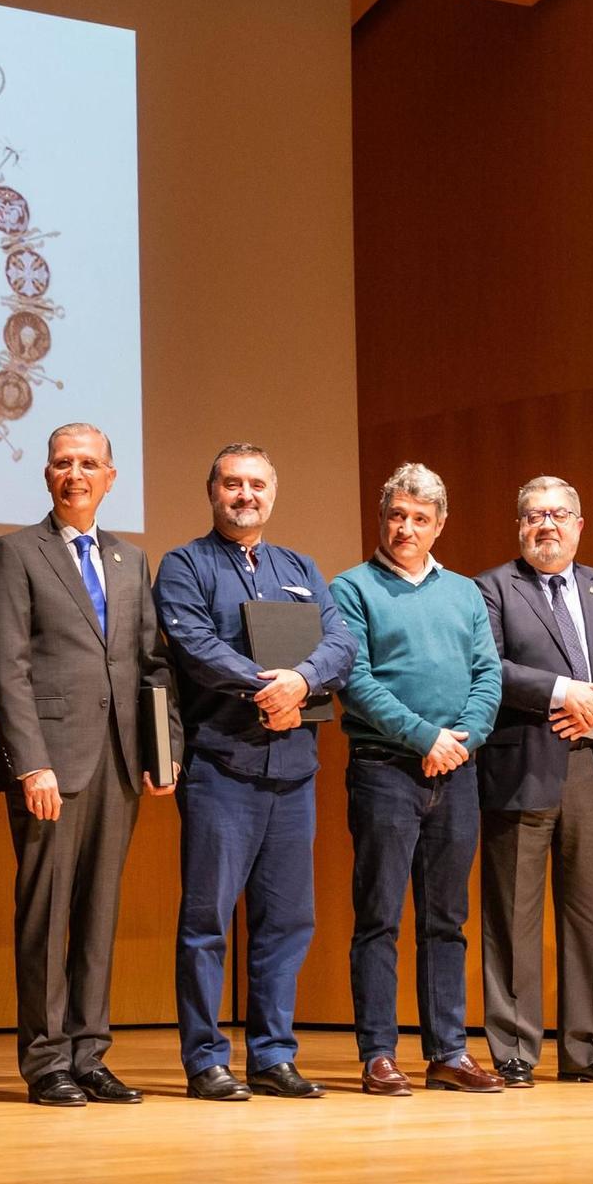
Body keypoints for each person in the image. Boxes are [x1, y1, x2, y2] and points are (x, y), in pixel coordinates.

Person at [0, 422, 181, 1107]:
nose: (76, 473)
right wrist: (29, 763)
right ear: (46, 475)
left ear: (111, 477)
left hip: (120, 763)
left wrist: (164, 750)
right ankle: (45, 1061)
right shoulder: (14, 552)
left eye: (89, 463)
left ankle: (89, 1052)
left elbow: (152, 666)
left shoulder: (130, 560)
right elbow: (7, 668)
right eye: (63, 462)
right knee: (46, 911)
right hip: (50, 767)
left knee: (98, 912)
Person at [154, 444, 356, 1101]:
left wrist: (301, 679)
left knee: (288, 919)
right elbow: (194, 647)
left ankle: (272, 1053)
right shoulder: (185, 565)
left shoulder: (300, 567)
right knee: (207, 919)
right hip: (222, 767)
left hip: (295, 771)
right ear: (211, 489)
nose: (246, 494)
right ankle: (206, 1057)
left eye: (257, 484)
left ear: (273, 491)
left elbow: (341, 643)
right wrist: (267, 688)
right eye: (233, 483)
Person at [329, 463, 504, 1096]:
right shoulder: (349, 588)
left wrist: (460, 740)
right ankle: (379, 1052)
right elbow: (356, 681)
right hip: (384, 770)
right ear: (382, 519)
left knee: (446, 918)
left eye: (420, 519)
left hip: (456, 770)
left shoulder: (464, 593)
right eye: (397, 516)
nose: (407, 528)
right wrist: (424, 737)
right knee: (378, 915)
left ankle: (448, 1052)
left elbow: (488, 675)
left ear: (440, 525)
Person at [476, 476, 593, 1086]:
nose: (546, 525)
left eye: (558, 515)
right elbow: (488, 666)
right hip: (522, 763)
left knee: (585, 916)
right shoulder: (492, 589)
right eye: (533, 516)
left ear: (580, 525)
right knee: (512, 915)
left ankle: (584, 1048)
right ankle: (515, 1051)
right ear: (519, 527)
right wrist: (562, 691)